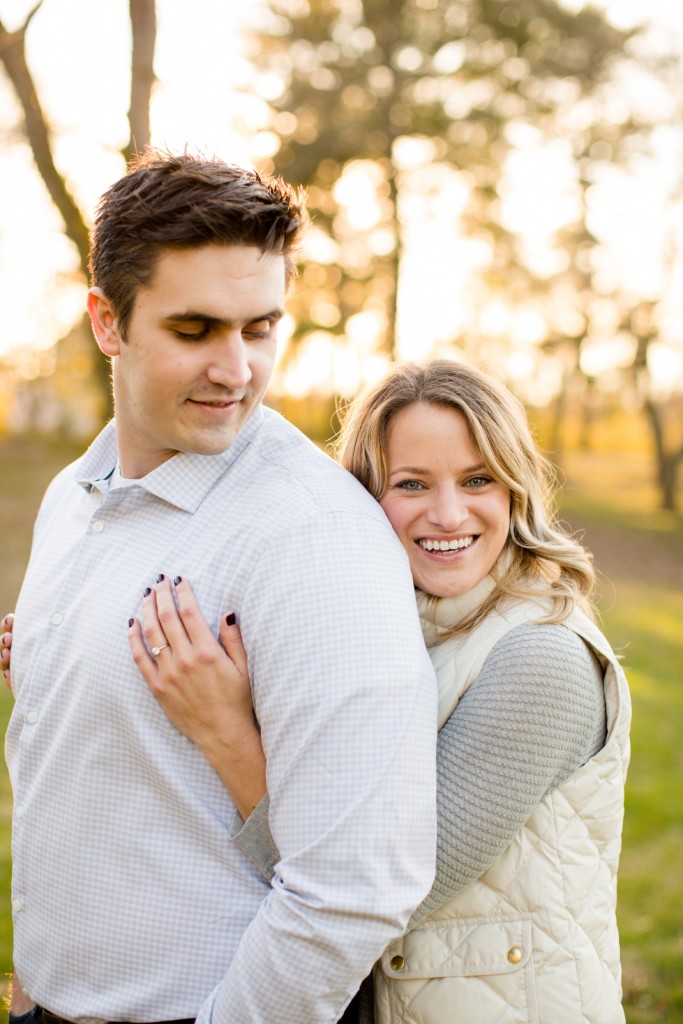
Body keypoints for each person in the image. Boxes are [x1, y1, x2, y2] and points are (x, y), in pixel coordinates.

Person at [3, 149, 439, 1024]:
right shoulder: (72, 499)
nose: (236, 369)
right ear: (107, 322)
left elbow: (355, 887)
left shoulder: (313, 540)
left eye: (260, 327)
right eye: (196, 330)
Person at [121, 358, 631, 1023]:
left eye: (477, 479)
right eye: (411, 483)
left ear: (514, 489)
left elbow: (380, 893)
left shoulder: (543, 661)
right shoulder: (381, 626)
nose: (447, 514)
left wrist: (225, 732)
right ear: (360, 496)